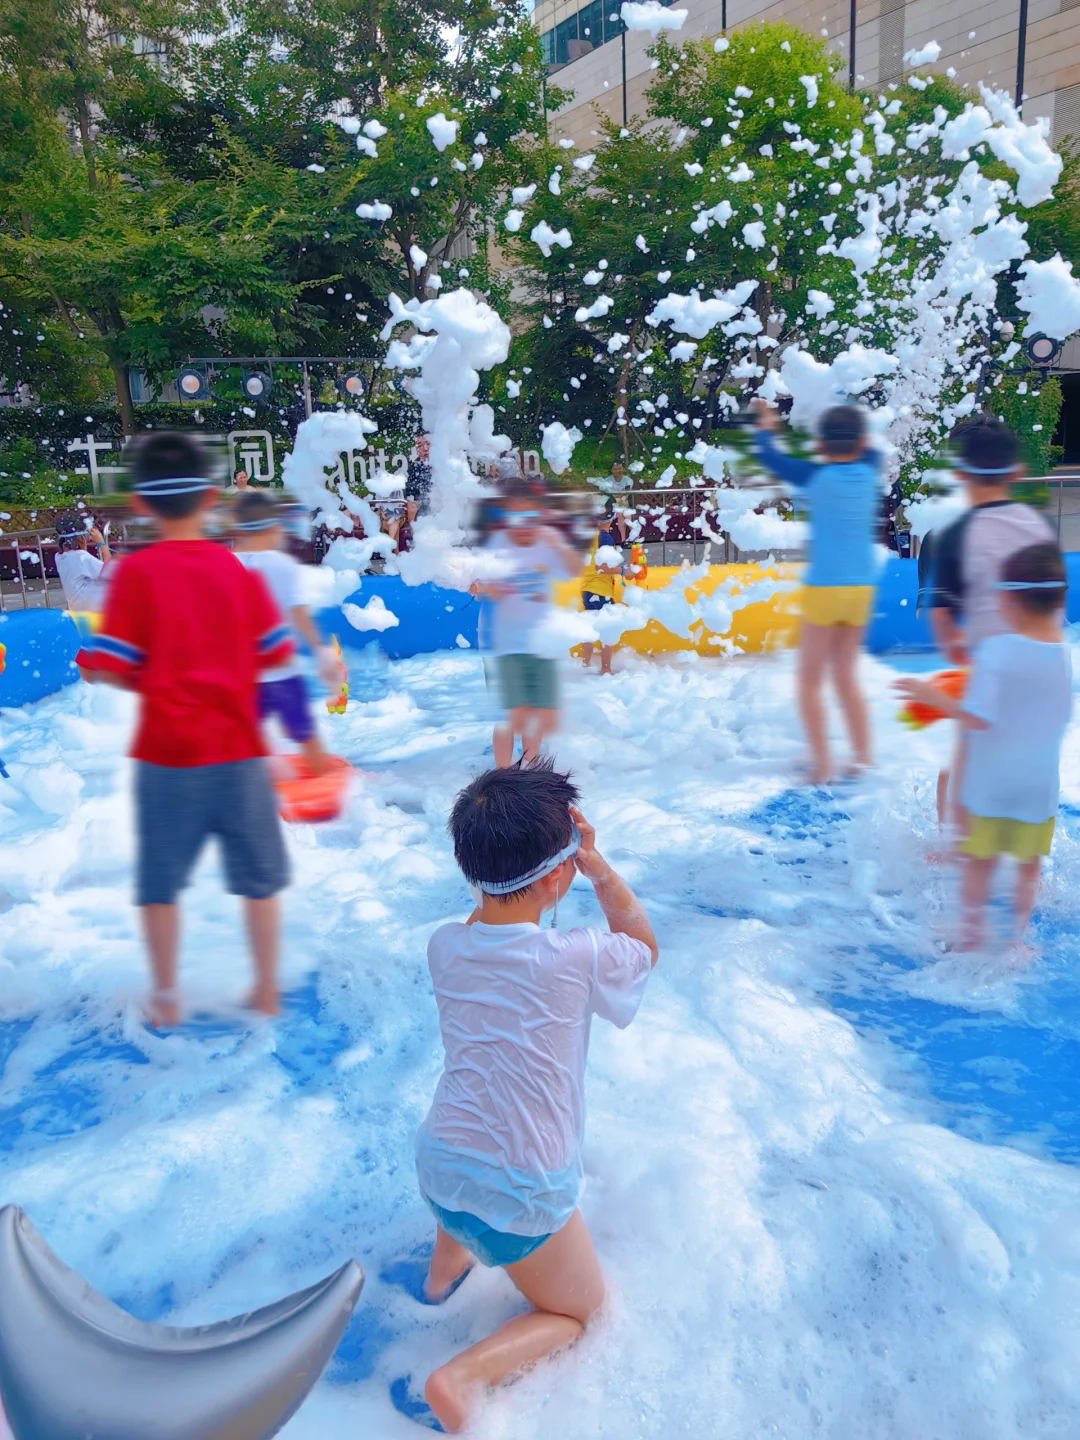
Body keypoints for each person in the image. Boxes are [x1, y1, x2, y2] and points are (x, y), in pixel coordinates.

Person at [413, 762, 658, 1433]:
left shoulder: (444, 946)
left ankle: (439, 1280)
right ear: (559, 876)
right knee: (581, 1313)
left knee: (467, 1165)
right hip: (522, 1194)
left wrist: (547, 867)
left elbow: (485, 919)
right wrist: (599, 870)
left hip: (437, 1166)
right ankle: (460, 1380)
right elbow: (642, 945)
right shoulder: (577, 956)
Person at [75, 433, 294, 1027]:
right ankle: (267, 989)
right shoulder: (234, 571)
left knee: (160, 883)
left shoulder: (136, 576)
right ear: (209, 497)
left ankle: (167, 995)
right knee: (258, 880)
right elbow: (275, 652)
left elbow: (108, 667)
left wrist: (99, 664)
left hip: (167, 757)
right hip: (240, 753)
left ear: (142, 503)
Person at [895, 543, 1071, 953]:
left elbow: (979, 715)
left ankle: (970, 929)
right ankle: (1016, 942)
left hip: (994, 782)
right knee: (1029, 866)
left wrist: (930, 698)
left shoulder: (998, 652)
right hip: (1040, 783)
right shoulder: (1060, 651)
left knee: (978, 858)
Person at [924, 416, 1055, 832]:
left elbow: (941, 616)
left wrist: (958, 653)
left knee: (967, 756)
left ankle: (950, 847)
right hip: (1043, 664)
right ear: (1015, 470)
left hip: (989, 665)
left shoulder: (949, 535)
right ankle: (1030, 873)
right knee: (1034, 757)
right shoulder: (1040, 525)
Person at [753, 399, 881, 785]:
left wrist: (766, 422)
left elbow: (770, 456)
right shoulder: (870, 470)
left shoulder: (814, 476)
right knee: (846, 674)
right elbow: (870, 447)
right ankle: (862, 757)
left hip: (825, 588)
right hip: (861, 588)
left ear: (822, 446)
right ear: (860, 442)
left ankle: (823, 764)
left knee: (809, 680)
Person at [231, 490, 343, 776]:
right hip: (281, 671)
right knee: (305, 735)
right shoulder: (283, 566)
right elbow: (299, 615)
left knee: (244, 742)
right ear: (271, 526)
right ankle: (322, 784)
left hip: (241, 675)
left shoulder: (224, 564)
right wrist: (321, 652)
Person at [471, 483, 579, 767]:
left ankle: (531, 770)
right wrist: (491, 589)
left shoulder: (546, 543)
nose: (524, 526)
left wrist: (557, 543)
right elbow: (475, 588)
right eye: (516, 519)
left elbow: (572, 570)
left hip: (539, 643)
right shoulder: (496, 545)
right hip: (503, 645)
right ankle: (503, 775)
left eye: (531, 518)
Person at [580, 502, 627, 675]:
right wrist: (623, 571)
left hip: (587, 590)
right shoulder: (605, 537)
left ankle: (585, 665)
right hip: (600, 590)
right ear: (613, 518)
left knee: (590, 628)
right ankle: (605, 669)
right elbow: (603, 568)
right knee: (608, 629)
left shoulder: (589, 537)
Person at [54, 510, 112, 613]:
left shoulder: (59, 557)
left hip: (77, 610)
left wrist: (82, 546)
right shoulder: (81, 557)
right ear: (80, 536)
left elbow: (79, 568)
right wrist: (101, 544)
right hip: (95, 613)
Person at [406, 435, 433, 515]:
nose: (425, 449)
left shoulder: (449, 465)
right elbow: (411, 503)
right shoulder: (414, 470)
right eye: (420, 445)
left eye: (428, 443)